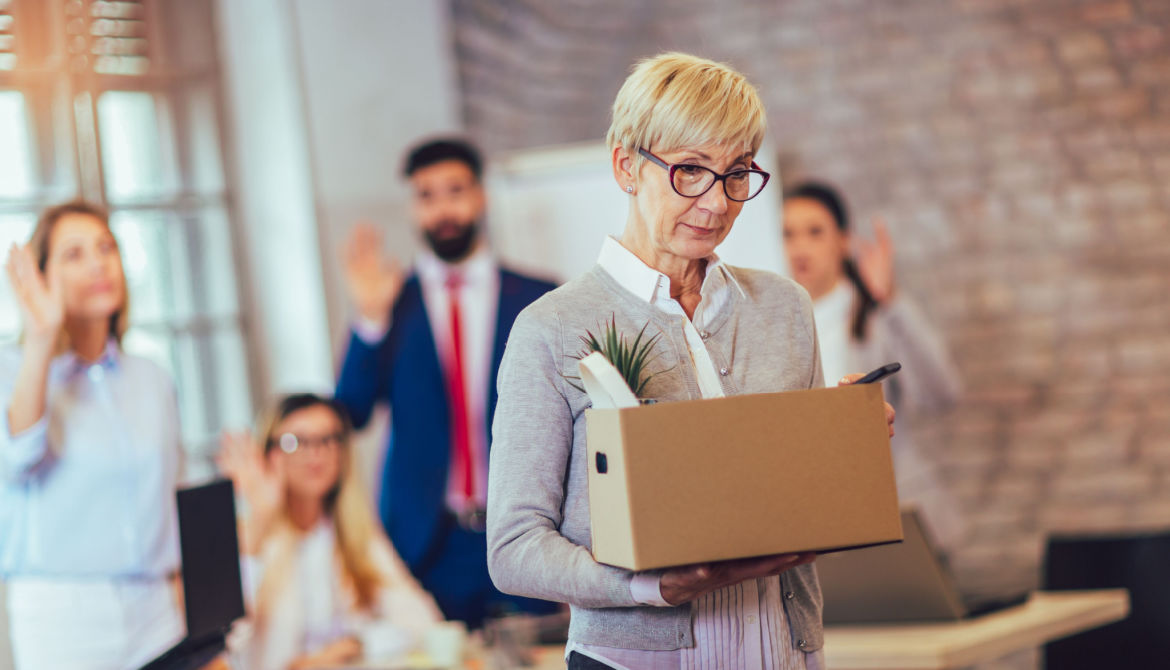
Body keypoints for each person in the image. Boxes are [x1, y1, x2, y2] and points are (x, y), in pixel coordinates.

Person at [486, 53, 896, 670]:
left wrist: (843, 450)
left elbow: (800, 514)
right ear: (627, 165)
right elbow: (514, 549)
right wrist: (644, 586)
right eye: (689, 171)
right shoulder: (551, 329)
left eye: (736, 174)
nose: (716, 202)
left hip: (783, 652)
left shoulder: (783, 307)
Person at [334, 138, 559, 628]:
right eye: (427, 196)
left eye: (455, 191)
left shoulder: (540, 299)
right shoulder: (393, 301)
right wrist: (369, 321)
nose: (443, 209)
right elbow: (349, 410)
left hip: (525, 529)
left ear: (481, 197)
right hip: (426, 541)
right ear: (413, 208)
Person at [0, 201, 184, 669]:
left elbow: (168, 495)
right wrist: (41, 338)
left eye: (107, 247)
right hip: (63, 615)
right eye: (74, 254)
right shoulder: (16, 371)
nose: (98, 263)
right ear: (40, 276)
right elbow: (19, 455)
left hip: (155, 608)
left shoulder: (152, 379)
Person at [782, 181, 965, 553]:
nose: (799, 247)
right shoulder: (777, 325)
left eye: (815, 232)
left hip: (900, 517)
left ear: (844, 241)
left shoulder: (876, 317)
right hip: (823, 526)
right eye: (788, 234)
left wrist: (890, 302)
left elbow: (942, 393)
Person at [219, 393, 442, 670]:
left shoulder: (356, 534)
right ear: (268, 454)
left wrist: (355, 644)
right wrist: (261, 519)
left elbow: (423, 620)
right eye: (295, 442)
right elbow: (226, 644)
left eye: (329, 439)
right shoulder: (247, 537)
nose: (316, 453)